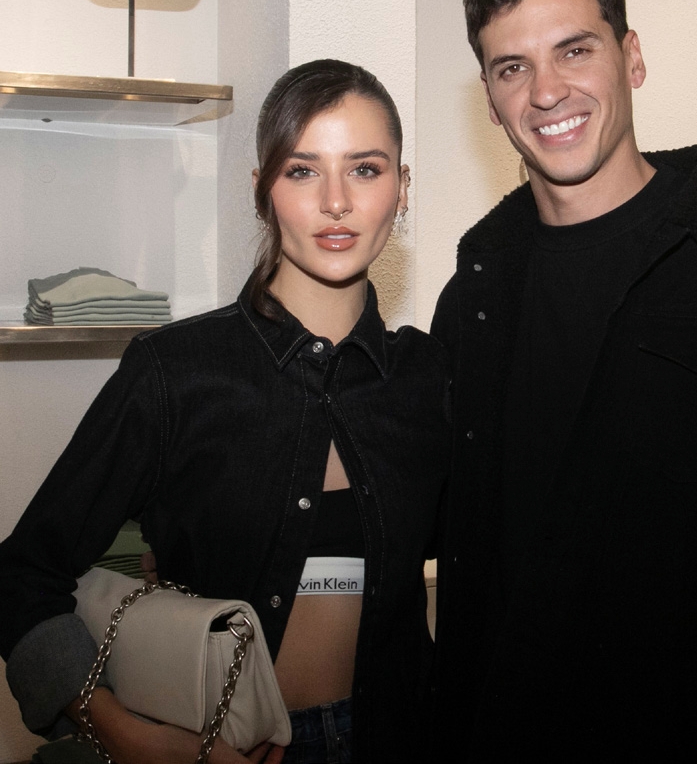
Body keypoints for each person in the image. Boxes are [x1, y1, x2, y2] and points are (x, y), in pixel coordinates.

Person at [0, 59, 450, 764]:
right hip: (218, 747)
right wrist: (124, 731)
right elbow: (22, 574)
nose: (336, 201)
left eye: (365, 169)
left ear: (402, 187)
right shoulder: (174, 373)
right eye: (302, 171)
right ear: (262, 190)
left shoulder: (427, 377)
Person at [430, 0, 697, 763]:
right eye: (511, 67)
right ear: (488, 98)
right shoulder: (477, 290)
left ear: (631, 57)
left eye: (574, 50)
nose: (545, 91)